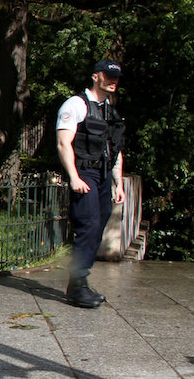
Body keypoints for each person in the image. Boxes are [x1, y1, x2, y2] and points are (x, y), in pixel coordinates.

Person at [56, 59, 126, 308]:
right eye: (108, 76)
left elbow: (115, 149)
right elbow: (64, 143)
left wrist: (118, 182)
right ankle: (76, 288)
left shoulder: (109, 110)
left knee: (99, 224)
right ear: (96, 76)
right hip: (85, 173)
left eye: (116, 78)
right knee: (88, 224)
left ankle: (82, 282)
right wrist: (73, 177)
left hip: (104, 175)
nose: (113, 81)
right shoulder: (76, 105)